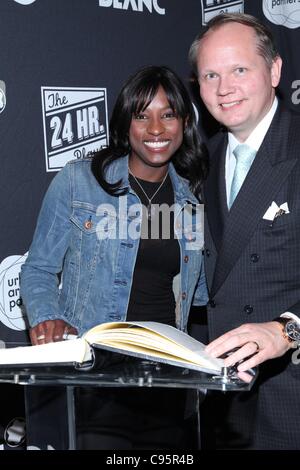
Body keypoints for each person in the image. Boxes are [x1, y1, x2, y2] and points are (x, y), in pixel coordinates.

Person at [20, 65, 208, 449]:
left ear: (184, 124)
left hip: (166, 380)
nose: (156, 129)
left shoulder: (192, 201)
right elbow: (38, 269)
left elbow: (202, 295)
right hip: (95, 377)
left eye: (167, 114)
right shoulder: (79, 182)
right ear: (125, 125)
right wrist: (46, 316)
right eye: (142, 116)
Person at [189, 13, 300, 450]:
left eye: (239, 70)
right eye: (210, 75)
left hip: (290, 395)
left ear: (274, 70)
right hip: (219, 399)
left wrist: (286, 331)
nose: (223, 88)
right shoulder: (201, 161)